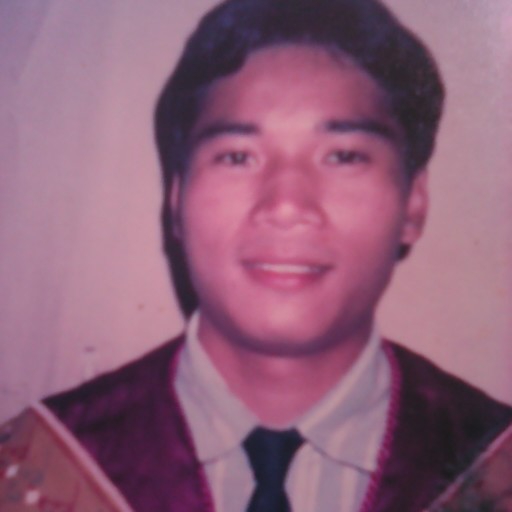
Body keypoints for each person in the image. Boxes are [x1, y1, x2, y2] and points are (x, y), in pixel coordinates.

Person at [1, 0, 511, 511]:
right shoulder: (29, 473)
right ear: (176, 201)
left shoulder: (493, 472)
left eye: (343, 156)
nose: (286, 205)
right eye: (237, 157)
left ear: (413, 204)